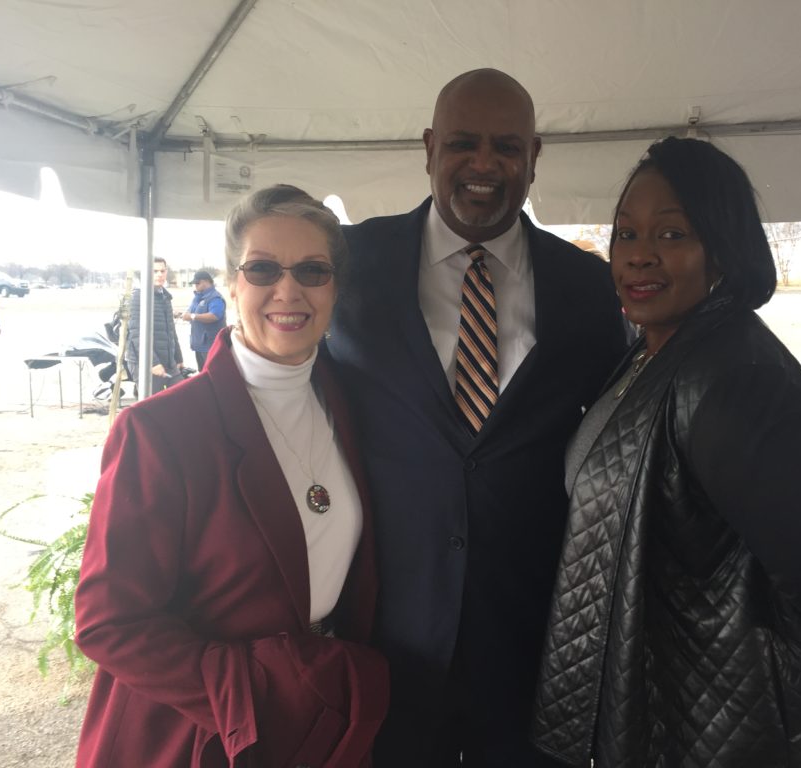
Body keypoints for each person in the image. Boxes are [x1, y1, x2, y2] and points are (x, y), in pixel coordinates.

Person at [532, 137, 801, 767]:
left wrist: (727, 635)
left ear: (722, 250)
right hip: (660, 711)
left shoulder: (731, 380)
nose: (640, 255)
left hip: (718, 724)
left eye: (672, 235)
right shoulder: (655, 353)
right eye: (626, 234)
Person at [327, 68, 628, 766]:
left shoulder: (586, 287)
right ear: (430, 146)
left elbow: (613, 439)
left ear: (534, 155)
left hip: (530, 636)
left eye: (507, 146)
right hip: (385, 634)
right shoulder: (352, 263)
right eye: (464, 143)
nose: (485, 165)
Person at [74, 185, 388, 767]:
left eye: (312, 271)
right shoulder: (160, 430)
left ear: (336, 288)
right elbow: (108, 621)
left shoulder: (348, 405)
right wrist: (251, 693)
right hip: (205, 735)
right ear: (232, 281)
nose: (288, 290)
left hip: (320, 726)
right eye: (263, 268)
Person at [125, 256, 184, 392]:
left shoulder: (165, 297)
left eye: (162, 271)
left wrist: (178, 358)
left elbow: (171, 330)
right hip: (145, 363)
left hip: (169, 362)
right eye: (155, 271)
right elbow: (136, 333)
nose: (159, 275)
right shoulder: (138, 297)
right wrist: (153, 362)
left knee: (182, 396)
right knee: (152, 406)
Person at [180, 269, 227, 370]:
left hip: (211, 346)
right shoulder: (197, 297)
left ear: (206, 281)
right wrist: (182, 314)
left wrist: (193, 316)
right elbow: (190, 312)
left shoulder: (215, 298)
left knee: (213, 375)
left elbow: (214, 316)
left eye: (197, 283)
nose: (195, 285)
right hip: (199, 345)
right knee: (202, 375)